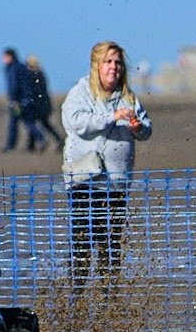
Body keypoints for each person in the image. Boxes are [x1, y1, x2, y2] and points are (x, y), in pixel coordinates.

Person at [61, 40, 152, 284]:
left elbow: (146, 129)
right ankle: (76, 299)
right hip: (86, 183)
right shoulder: (81, 93)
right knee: (82, 245)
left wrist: (137, 127)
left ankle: (108, 300)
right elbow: (75, 122)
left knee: (110, 247)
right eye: (108, 62)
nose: (114, 67)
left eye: (118, 63)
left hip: (117, 186)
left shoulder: (128, 97)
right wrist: (112, 117)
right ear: (96, 65)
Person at [22, 55, 65, 151]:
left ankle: (42, 140)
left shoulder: (31, 75)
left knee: (31, 123)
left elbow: (31, 91)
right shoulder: (40, 74)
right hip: (44, 103)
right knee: (44, 123)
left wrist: (27, 102)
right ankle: (32, 145)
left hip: (35, 104)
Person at [0, 48, 28, 153]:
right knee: (24, 122)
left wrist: (14, 99)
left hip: (17, 101)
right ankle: (36, 141)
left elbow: (14, 85)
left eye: (5, 57)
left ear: (10, 56)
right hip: (20, 100)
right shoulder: (16, 67)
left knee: (18, 123)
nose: (3, 59)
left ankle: (10, 145)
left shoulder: (14, 68)